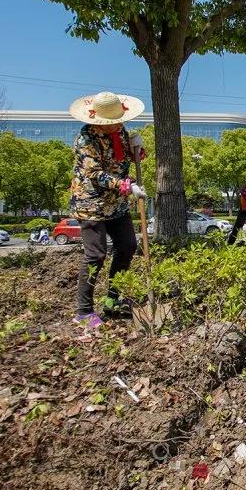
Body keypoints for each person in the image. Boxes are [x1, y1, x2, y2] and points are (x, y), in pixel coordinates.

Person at [68, 91, 147, 330]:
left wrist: (137, 150)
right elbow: (95, 173)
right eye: (113, 122)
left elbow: (122, 159)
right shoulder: (86, 139)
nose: (118, 124)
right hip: (91, 204)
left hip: (116, 203)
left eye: (119, 120)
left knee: (128, 246)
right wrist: (126, 186)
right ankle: (84, 311)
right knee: (96, 255)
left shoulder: (120, 131)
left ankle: (113, 299)